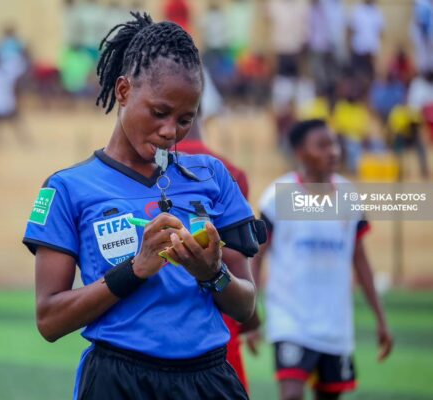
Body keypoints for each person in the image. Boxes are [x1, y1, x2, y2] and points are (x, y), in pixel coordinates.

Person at [22, 12, 265, 400]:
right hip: (119, 381)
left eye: (185, 119)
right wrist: (135, 270)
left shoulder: (212, 176)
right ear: (123, 91)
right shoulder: (67, 188)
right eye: (159, 112)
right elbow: (49, 319)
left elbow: (245, 303)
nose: (171, 132)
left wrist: (212, 273)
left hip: (209, 380)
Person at [247, 119, 393, 400]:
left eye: (334, 143)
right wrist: (251, 316)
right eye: (323, 145)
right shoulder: (279, 196)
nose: (333, 151)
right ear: (300, 153)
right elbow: (256, 255)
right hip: (291, 320)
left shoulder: (349, 196)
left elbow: (360, 261)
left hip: (335, 323)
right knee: (291, 394)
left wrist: (381, 319)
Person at [175, 113, 254, 392]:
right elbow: (234, 259)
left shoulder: (141, 165)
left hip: (146, 343)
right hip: (215, 331)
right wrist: (253, 321)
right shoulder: (228, 171)